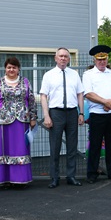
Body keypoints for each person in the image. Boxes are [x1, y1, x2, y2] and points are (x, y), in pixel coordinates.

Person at [0, 57, 37, 187]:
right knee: (4, 149)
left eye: (14, 67)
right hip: (3, 122)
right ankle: (5, 179)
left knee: (21, 149)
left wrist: (33, 117)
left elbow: (31, 100)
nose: (11, 70)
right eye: (9, 67)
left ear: (18, 69)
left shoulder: (25, 82)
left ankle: (20, 179)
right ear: (5, 68)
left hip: (22, 120)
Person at [40, 47, 85, 188]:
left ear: (69, 58)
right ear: (55, 58)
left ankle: (71, 176)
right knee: (55, 147)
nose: (63, 58)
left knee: (72, 147)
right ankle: (54, 178)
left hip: (72, 112)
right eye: (61, 56)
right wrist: (46, 116)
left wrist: (81, 113)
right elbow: (43, 96)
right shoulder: (48, 75)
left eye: (66, 56)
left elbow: (80, 94)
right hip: (56, 113)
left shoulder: (74, 74)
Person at [82, 45, 111, 183]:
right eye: (99, 59)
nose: (102, 62)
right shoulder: (88, 74)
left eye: (104, 59)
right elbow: (88, 93)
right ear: (95, 60)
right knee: (95, 145)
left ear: (107, 59)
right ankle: (92, 174)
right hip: (97, 114)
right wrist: (105, 102)